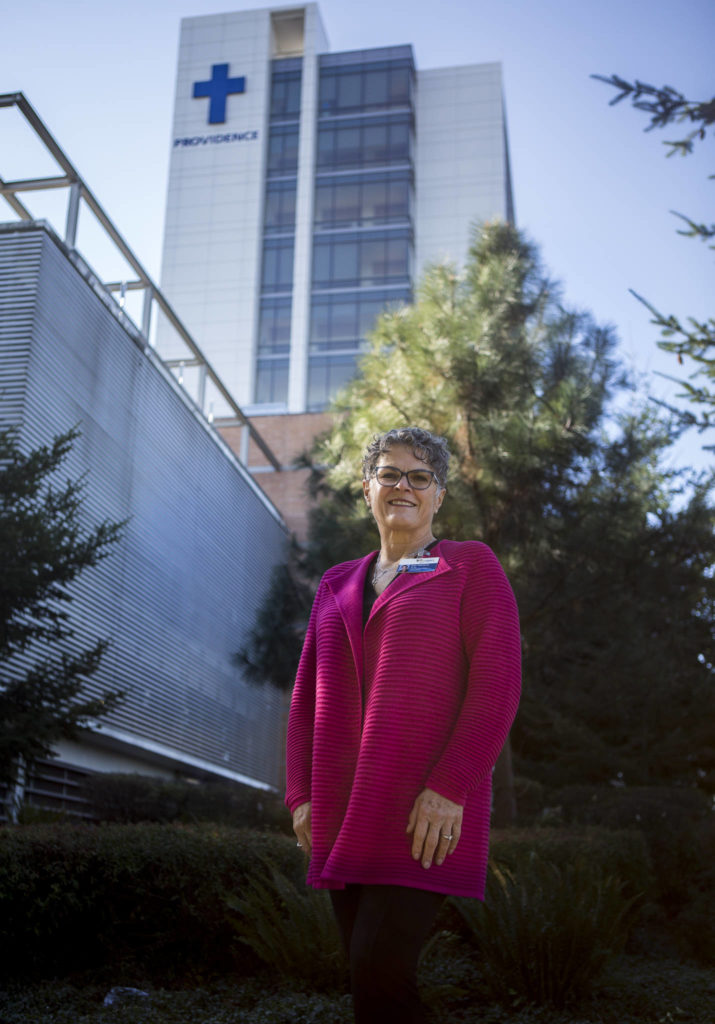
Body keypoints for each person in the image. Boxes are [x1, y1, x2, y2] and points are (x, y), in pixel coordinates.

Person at [285, 426, 521, 1024]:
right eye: (389, 474)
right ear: (368, 489)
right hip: (342, 810)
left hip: (422, 813)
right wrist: (300, 796)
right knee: (374, 988)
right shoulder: (337, 583)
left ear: (438, 496)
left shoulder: (466, 566)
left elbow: (498, 685)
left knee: (378, 974)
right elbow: (305, 696)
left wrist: (451, 786)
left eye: (421, 477)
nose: (404, 486)